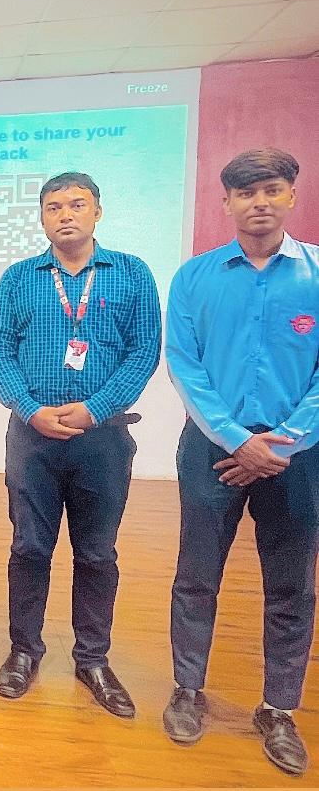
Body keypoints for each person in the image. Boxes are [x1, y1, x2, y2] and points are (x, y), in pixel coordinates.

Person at [163, 148, 319, 777]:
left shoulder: (316, 275)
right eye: (246, 193)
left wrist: (282, 442)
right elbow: (184, 364)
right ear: (226, 202)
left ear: (291, 196)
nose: (260, 203)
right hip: (212, 450)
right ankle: (187, 689)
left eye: (272, 190)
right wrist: (235, 439)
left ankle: (279, 708)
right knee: (197, 576)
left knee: (292, 585)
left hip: (297, 457)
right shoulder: (194, 278)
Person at [0, 172, 161, 718]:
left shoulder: (131, 274)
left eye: (77, 204)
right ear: (41, 217)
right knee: (29, 548)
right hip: (31, 438)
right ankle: (24, 650)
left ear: (97, 212)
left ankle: (92, 659)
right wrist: (31, 409)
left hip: (102, 441)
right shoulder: (18, 279)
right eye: (54, 206)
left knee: (97, 553)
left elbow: (143, 353)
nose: (66, 214)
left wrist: (95, 409)